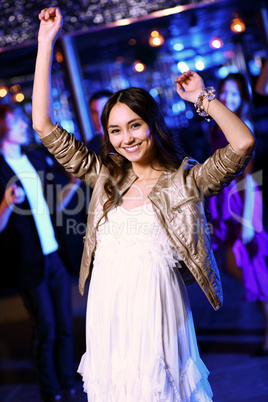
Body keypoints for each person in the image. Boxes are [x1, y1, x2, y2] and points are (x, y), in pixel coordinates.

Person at [32, 7, 255, 401]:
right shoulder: (102, 177)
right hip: (108, 312)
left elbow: (242, 144)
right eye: (115, 130)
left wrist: (203, 98)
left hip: (160, 315)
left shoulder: (184, 180)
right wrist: (46, 42)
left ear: (152, 123)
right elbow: (43, 125)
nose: (126, 138)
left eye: (134, 125)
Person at [0, 104, 79, 401]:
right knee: (45, 328)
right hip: (27, 261)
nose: (23, 125)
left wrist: (72, 185)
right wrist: (7, 203)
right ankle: (50, 390)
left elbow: (53, 206)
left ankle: (69, 382)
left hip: (54, 255)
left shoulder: (35, 158)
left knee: (64, 325)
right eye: (16, 121)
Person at [207, 73, 268, 356]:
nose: (228, 98)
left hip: (244, 195)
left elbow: (250, 175)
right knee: (235, 264)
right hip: (226, 197)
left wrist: (248, 217)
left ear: (241, 97)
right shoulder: (217, 126)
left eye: (234, 94)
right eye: (224, 92)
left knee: (251, 264)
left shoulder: (243, 125)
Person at [87, 90, 113, 154]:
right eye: (95, 112)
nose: (99, 117)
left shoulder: (126, 141)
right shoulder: (92, 146)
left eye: (103, 111)